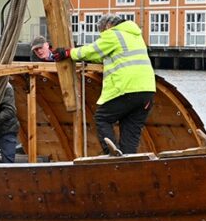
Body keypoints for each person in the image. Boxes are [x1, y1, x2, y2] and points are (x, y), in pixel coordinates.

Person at [53, 14, 156, 155]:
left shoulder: (113, 35)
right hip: (147, 91)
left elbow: (92, 50)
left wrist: (68, 52)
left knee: (102, 117)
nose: (102, 35)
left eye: (102, 31)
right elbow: (100, 54)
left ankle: (112, 153)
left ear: (108, 26)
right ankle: (128, 164)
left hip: (127, 88)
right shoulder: (135, 36)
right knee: (130, 132)